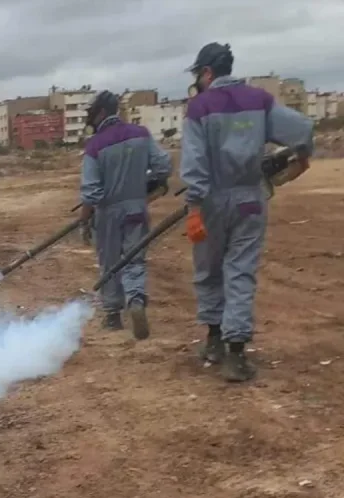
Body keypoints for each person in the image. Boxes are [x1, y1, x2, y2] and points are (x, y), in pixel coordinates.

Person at [180, 42, 314, 382]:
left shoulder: (199, 108)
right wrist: (302, 156)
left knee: (209, 270)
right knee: (240, 271)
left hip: (210, 201)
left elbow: (194, 163)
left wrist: (194, 207)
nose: (198, 80)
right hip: (250, 200)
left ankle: (213, 343)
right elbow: (302, 130)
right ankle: (236, 355)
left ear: (208, 72)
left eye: (198, 74)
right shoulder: (259, 100)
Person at [78, 90, 173, 340]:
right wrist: (146, 184)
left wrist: (84, 218)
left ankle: (112, 316)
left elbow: (90, 192)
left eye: (91, 114)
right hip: (136, 208)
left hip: (108, 212)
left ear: (100, 113)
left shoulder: (94, 146)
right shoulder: (140, 134)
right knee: (134, 257)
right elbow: (163, 165)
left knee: (110, 262)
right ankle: (136, 300)